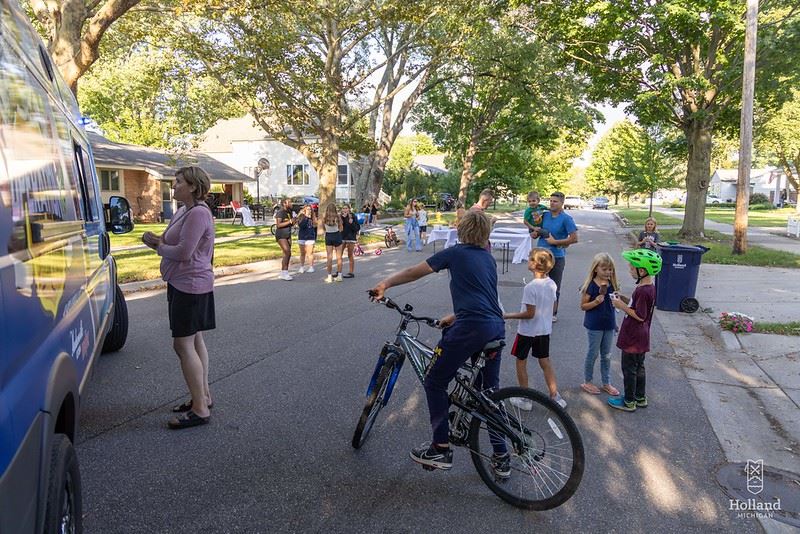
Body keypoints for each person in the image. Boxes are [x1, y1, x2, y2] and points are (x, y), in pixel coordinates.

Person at [368, 210, 509, 476]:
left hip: (471, 328)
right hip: (494, 326)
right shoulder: (487, 259)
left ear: (460, 230)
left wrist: (384, 283)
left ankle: (440, 447)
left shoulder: (455, 253)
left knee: (435, 380)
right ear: (485, 235)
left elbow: (414, 272)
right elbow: (484, 297)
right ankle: (502, 455)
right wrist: (456, 317)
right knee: (489, 395)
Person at [142, 166, 215, 429]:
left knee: (182, 345)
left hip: (190, 284)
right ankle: (203, 396)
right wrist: (157, 242)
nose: (174, 186)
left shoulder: (197, 213)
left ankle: (200, 409)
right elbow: (172, 241)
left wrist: (158, 247)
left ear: (193, 186)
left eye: (179, 182)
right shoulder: (184, 211)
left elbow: (184, 252)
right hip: (184, 282)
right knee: (194, 341)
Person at [503, 248, 567, 410]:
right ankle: (555, 395)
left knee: (520, 361)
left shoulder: (530, 287)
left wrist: (508, 316)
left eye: (530, 258)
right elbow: (553, 306)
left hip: (527, 331)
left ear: (535, 264)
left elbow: (529, 313)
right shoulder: (551, 283)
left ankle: (525, 398)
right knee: (545, 361)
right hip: (544, 330)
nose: (528, 260)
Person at [608, 249, 662, 412]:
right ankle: (640, 397)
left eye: (632, 268)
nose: (630, 270)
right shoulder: (648, 287)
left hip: (633, 337)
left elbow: (640, 315)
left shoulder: (642, 290)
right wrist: (624, 298)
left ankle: (629, 401)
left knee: (629, 369)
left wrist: (620, 305)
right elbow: (637, 304)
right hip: (642, 337)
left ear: (642, 270)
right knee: (639, 367)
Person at [531, 192, 578, 323]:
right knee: (538, 285)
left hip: (557, 257)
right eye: (550, 201)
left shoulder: (566, 219)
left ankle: (552, 313)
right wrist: (535, 233)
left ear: (562, 203)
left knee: (554, 287)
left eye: (555, 201)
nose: (552, 203)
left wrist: (555, 242)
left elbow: (574, 239)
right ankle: (537, 310)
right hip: (540, 255)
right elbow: (537, 230)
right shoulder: (544, 215)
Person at [579, 253, 620, 396]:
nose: (608, 272)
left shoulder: (612, 284)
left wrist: (615, 322)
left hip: (609, 324)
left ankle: (606, 382)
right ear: (596, 269)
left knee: (607, 355)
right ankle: (588, 380)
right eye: (605, 269)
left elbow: (614, 305)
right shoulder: (590, 286)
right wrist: (595, 302)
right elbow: (583, 306)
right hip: (594, 325)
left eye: (610, 269)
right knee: (593, 353)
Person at [274, 197, 295, 281]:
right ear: (284, 203)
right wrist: (289, 221)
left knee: (287, 254)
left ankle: (283, 272)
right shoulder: (280, 212)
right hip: (281, 235)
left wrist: (294, 221)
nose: (291, 204)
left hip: (288, 234)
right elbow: (278, 225)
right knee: (287, 252)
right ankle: (285, 272)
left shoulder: (289, 212)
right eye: (289, 202)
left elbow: (291, 223)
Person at [322, 203, 344, 283]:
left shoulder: (324, 217)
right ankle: (339, 276)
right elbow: (341, 227)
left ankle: (329, 276)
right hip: (337, 235)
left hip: (328, 236)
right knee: (339, 257)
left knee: (329, 257)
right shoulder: (338, 216)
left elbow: (323, 227)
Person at [340, 204, 361, 278]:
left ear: (349, 209)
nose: (345, 210)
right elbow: (339, 227)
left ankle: (351, 272)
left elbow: (357, 228)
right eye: (343, 208)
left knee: (350, 254)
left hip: (350, 238)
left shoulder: (353, 216)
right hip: (342, 237)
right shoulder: (340, 217)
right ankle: (339, 271)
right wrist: (342, 220)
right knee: (339, 255)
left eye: (346, 208)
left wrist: (351, 223)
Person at [297, 204, 317, 273]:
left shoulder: (313, 218)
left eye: (310, 209)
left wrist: (314, 238)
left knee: (310, 253)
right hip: (302, 237)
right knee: (302, 253)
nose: (309, 211)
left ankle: (311, 267)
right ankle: (302, 267)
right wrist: (306, 217)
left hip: (310, 237)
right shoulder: (302, 217)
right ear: (305, 210)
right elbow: (301, 225)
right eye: (308, 209)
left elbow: (315, 227)